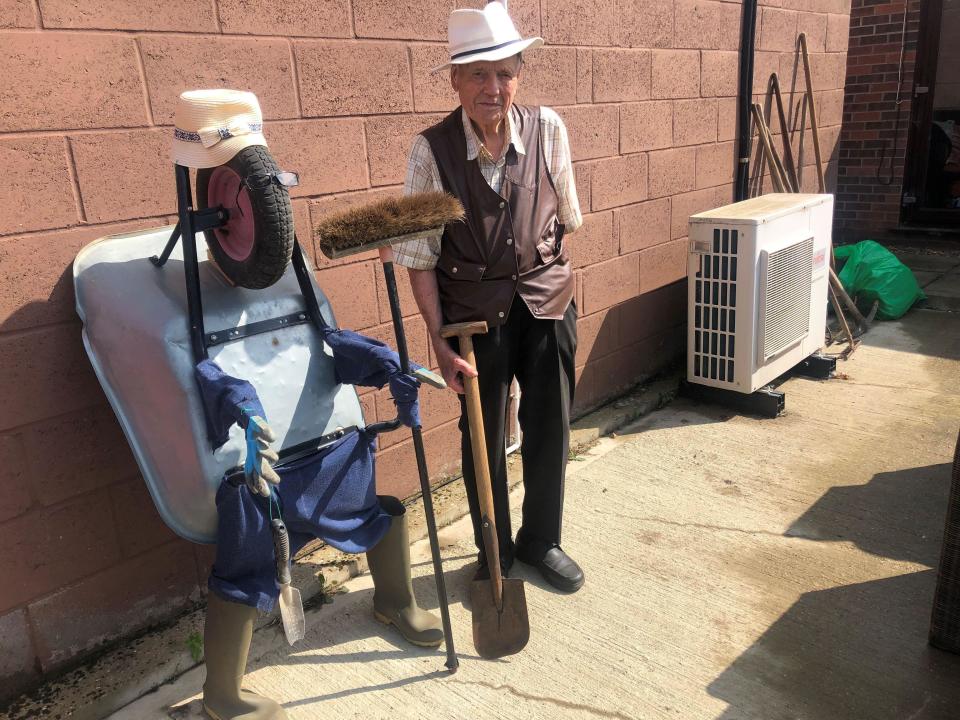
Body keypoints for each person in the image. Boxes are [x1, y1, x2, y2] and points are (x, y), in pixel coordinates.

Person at [394, 1, 585, 593]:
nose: (492, 87)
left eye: (505, 72)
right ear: (454, 79)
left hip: (548, 306)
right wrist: (439, 341)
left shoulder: (549, 129)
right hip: (475, 324)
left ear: (520, 75)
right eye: (478, 73)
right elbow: (418, 259)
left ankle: (541, 540)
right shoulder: (429, 153)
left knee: (549, 425)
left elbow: (568, 220)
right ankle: (495, 548)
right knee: (482, 436)